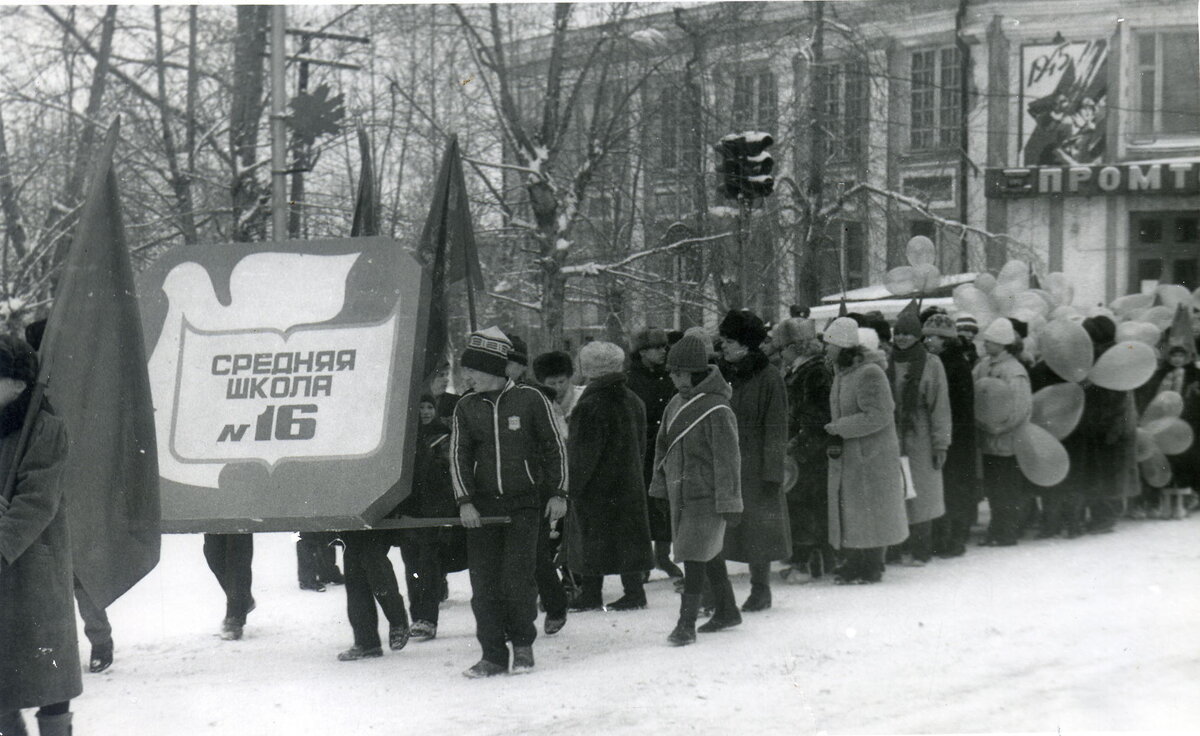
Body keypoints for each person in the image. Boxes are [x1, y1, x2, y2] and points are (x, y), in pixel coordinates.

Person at [451, 327, 567, 677]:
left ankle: (522, 646)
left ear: (494, 369)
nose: (467, 376)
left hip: (524, 505)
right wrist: (465, 502)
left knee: (517, 581)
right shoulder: (466, 406)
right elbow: (458, 456)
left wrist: (559, 493)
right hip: (482, 509)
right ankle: (492, 655)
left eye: (472, 370)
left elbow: (555, 448)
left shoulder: (531, 400)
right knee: (483, 585)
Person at [26, 318, 115, 674]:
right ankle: (49, 650)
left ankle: (100, 639)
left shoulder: (78, 380)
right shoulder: (27, 384)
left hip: (73, 486)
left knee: (78, 572)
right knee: (41, 578)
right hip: (35, 484)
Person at [0, 334, 76, 736]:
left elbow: (36, 501)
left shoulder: (45, 429)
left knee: (48, 675)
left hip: (35, 569)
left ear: (17, 384)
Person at [648, 331, 742, 646]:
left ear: (695, 372)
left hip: (708, 495)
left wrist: (730, 501)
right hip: (679, 493)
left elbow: (729, 460)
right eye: (672, 373)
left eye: (678, 373)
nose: (673, 378)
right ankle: (727, 610)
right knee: (705, 552)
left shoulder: (717, 408)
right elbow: (662, 449)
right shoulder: (675, 404)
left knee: (693, 555)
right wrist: (659, 488)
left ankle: (686, 623)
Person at [563, 342, 654, 611]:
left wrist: (573, 486)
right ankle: (634, 591)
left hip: (597, 487)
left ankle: (591, 593)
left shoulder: (590, 405)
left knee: (592, 537)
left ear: (589, 369)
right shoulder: (633, 400)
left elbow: (582, 454)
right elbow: (642, 444)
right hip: (629, 482)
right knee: (629, 537)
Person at [822, 318, 909, 584]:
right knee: (856, 512)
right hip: (854, 454)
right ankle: (856, 562)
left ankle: (871, 565)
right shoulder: (843, 373)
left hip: (871, 456)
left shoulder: (869, 373)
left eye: (829, 344)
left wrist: (839, 428)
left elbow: (880, 415)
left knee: (870, 511)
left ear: (841, 346)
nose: (825, 349)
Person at [717, 310, 790, 612]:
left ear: (747, 344)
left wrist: (772, 472)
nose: (723, 347)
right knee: (718, 527)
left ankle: (761, 589)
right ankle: (715, 591)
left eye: (729, 341)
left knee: (759, 531)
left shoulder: (769, 377)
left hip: (755, 466)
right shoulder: (720, 374)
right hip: (724, 462)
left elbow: (776, 427)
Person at [887, 305, 951, 566]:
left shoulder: (932, 364)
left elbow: (940, 407)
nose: (901, 338)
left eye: (907, 333)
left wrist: (941, 443)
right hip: (891, 435)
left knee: (921, 494)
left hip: (920, 435)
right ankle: (894, 547)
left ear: (918, 336)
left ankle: (921, 549)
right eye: (898, 333)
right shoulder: (886, 361)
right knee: (894, 491)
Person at [772, 318, 833, 580]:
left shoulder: (814, 372)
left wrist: (796, 447)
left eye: (783, 347)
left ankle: (805, 563)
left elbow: (816, 417)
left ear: (797, 346)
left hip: (809, 452)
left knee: (804, 507)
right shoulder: (800, 369)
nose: (780, 352)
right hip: (803, 449)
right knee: (802, 507)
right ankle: (811, 560)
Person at [396, 395, 460, 642]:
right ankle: (417, 617)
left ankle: (427, 618)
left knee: (428, 563)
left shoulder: (443, 436)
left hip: (434, 510)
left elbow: (445, 471)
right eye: (420, 407)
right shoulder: (403, 437)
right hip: (410, 509)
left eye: (429, 407)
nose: (424, 411)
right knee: (411, 563)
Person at [625, 328, 684, 580]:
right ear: (642, 352)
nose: (663, 351)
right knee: (642, 505)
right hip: (641, 451)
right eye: (656, 348)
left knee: (666, 503)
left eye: (664, 347)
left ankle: (662, 556)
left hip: (667, 450)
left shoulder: (670, 377)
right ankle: (643, 561)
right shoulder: (630, 380)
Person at [972, 318, 1033, 547]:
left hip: (1007, 442)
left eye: (990, 340)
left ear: (1002, 343)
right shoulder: (984, 365)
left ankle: (1007, 532)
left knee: (1006, 489)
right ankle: (997, 530)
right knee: (994, 489)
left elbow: (1019, 408)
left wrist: (998, 427)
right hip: (989, 439)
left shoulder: (1014, 371)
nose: (985, 344)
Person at [924, 314, 978, 558]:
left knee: (955, 488)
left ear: (945, 339)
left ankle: (954, 539)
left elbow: (958, 405)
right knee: (949, 487)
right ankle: (946, 538)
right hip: (951, 434)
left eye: (932, 336)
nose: (927, 341)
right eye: (926, 336)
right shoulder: (941, 361)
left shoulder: (953, 364)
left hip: (957, 436)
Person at [336, 523, 410, 661]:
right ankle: (366, 642)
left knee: (374, 564)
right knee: (354, 572)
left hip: (377, 516)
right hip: (350, 520)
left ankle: (398, 619)